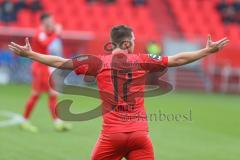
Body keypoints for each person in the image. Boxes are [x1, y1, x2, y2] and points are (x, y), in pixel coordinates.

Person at [8, 25, 229, 159]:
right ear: (126, 43)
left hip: (111, 136)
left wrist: (32, 55)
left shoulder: (97, 62)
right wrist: (207, 50)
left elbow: (60, 62)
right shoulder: (142, 60)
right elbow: (178, 59)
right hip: (140, 135)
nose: (134, 43)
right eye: (132, 40)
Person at [15, 13, 71, 133]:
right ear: (44, 22)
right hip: (41, 68)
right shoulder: (40, 33)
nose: (52, 24)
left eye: (52, 21)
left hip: (45, 67)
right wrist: (57, 32)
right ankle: (26, 121)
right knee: (41, 94)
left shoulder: (46, 32)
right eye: (49, 22)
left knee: (49, 94)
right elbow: (46, 43)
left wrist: (56, 33)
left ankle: (56, 122)